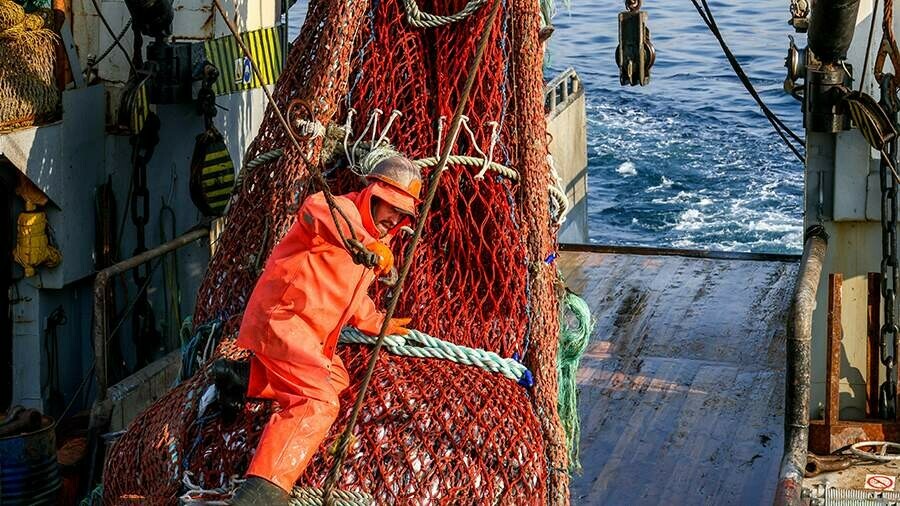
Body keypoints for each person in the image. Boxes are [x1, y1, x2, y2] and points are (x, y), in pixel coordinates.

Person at [223, 155, 422, 504]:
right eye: (389, 205)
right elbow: (319, 212)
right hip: (282, 321)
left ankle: (242, 378)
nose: (394, 217)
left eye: (401, 212)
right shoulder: (337, 210)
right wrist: (366, 245)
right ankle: (261, 493)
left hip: (308, 334)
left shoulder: (378, 242)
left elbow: (354, 297)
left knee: (336, 379)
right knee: (317, 400)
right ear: (371, 193)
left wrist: (378, 323)